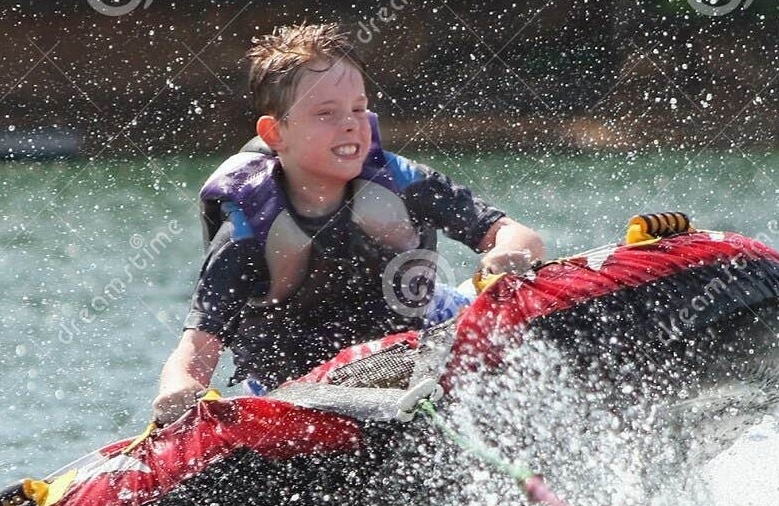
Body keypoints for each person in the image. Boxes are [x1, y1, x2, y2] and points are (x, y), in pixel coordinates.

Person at [152, 23, 545, 425]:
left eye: (358, 108)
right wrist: (179, 389)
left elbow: (515, 234)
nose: (350, 124)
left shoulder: (403, 183)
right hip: (300, 388)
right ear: (275, 132)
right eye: (325, 113)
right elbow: (195, 352)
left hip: (427, 331)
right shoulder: (246, 233)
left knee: (529, 313)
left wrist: (507, 253)